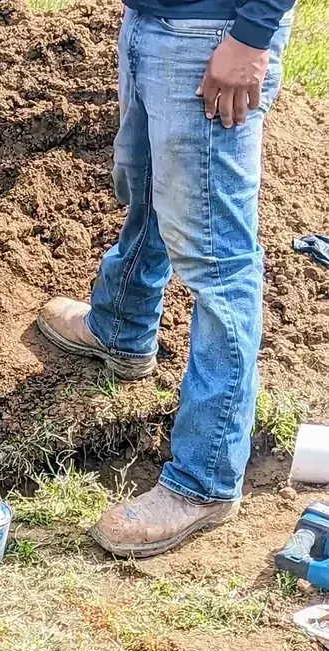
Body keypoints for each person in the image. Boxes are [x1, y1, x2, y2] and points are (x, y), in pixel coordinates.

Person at [36, 0, 294, 559]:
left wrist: (251, 35)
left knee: (218, 264)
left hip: (216, 34)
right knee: (149, 195)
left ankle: (205, 480)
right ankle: (120, 329)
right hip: (151, 21)